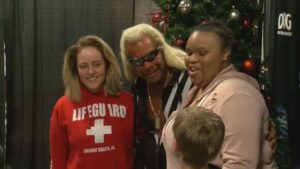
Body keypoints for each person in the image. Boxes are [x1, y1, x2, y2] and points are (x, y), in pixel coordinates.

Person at [162, 21, 277, 169]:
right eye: (189, 52)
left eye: (202, 53)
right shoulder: (201, 89)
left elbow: (240, 165)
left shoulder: (236, 96)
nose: (192, 59)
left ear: (225, 54)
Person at [49, 35, 134, 169]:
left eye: (97, 64)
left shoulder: (128, 101)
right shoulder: (63, 106)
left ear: (107, 65)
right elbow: (57, 160)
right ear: (75, 70)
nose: (91, 71)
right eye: (83, 66)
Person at [120, 23, 193, 169]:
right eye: (138, 62)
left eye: (152, 56)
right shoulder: (138, 86)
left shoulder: (189, 80)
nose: (147, 66)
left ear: (162, 48)